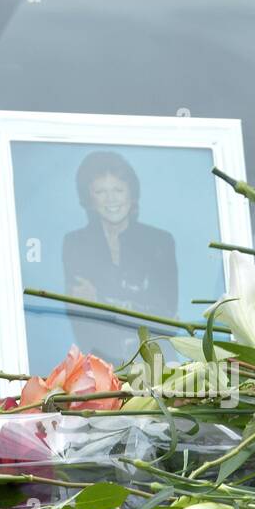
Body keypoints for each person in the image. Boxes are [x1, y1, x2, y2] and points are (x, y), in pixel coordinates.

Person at [62, 150, 178, 361]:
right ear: (89, 198)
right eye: (100, 192)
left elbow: (164, 311)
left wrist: (101, 299)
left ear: (131, 194)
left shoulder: (160, 241)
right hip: (100, 362)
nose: (111, 199)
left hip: (156, 360)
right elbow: (80, 314)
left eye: (118, 189)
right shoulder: (75, 244)